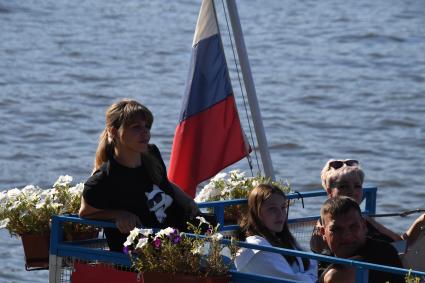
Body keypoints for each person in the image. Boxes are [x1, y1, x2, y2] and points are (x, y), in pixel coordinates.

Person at [79, 99, 199, 252]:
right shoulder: (103, 180)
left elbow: (164, 183)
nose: (145, 132)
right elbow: (85, 213)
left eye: (147, 126)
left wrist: (188, 201)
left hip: (182, 244)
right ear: (113, 131)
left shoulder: (152, 154)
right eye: (136, 127)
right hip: (144, 260)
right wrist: (118, 215)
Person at [310, 159, 425, 254]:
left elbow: (401, 243)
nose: (352, 191)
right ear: (330, 192)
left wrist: (420, 220)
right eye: (344, 186)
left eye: (357, 186)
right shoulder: (328, 225)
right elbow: (322, 252)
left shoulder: (364, 219)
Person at [235, 184, 318, 282]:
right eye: (272, 209)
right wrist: (312, 274)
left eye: (283, 207)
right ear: (257, 213)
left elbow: (309, 263)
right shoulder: (256, 250)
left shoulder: (282, 240)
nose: (280, 214)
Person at [319, 196, 404, 283]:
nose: (346, 235)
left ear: (364, 226)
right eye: (336, 229)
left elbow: (340, 277)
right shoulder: (324, 257)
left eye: (353, 227)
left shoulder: (383, 253)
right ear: (323, 233)